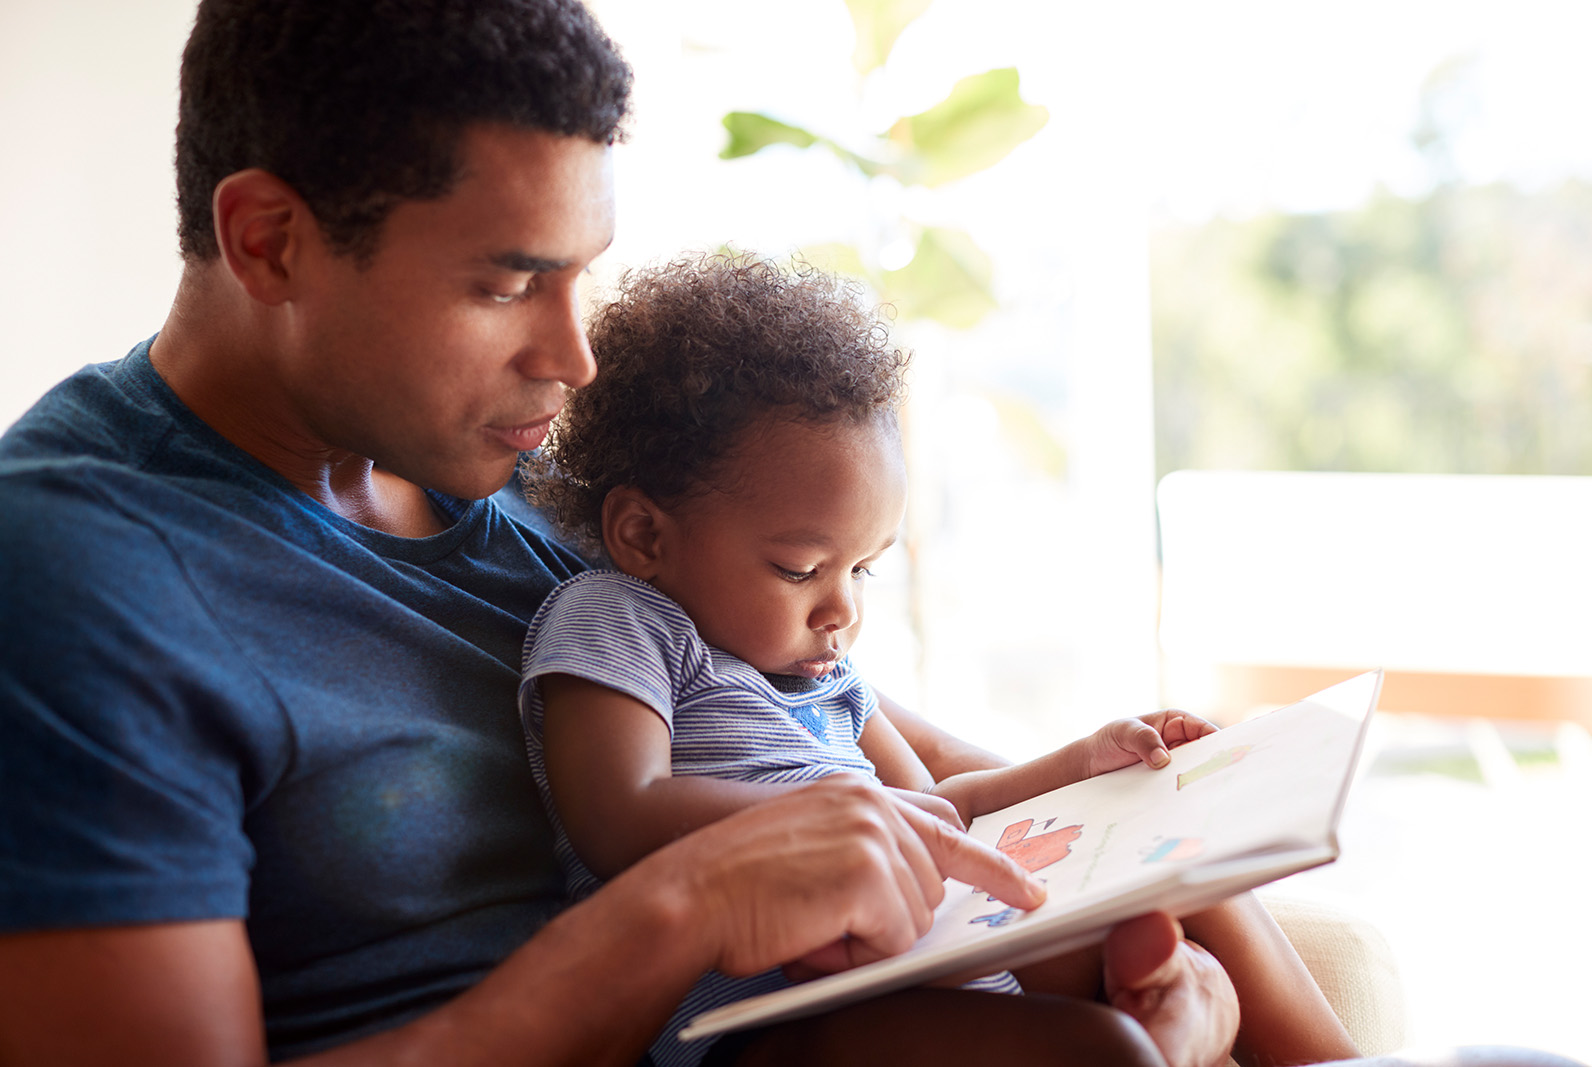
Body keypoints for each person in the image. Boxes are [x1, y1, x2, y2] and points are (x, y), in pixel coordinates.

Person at [0, 2, 1582, 1066]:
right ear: (269, 237)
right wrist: (687, 900)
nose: (576, 355)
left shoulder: (512, 472)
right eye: (503, 283)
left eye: (582, 274)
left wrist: (1097, 835)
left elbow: (827, 720)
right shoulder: (83, 580)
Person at [516, 253, 1365, 1067]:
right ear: (644, 534)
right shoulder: (619, 619)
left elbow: (938, 810)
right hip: (768, 1022)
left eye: (863, 568)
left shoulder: (831, 677)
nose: (842, 608)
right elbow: (618, 813)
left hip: (926, 958)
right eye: (799, 569)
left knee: (1191, 862)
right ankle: (1158, 1030)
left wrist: (1084, 763)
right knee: (1110, 1050)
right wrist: (828, 820)